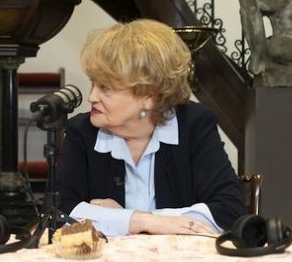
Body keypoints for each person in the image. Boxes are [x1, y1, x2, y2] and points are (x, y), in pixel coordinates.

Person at [56, 19, 245, 237]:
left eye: (105, 88)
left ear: (148, 96)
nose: (92, 97)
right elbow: (62, 214)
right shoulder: (82, 131)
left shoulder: (194, 125)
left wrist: (127, 220)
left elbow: (228, 209)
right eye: (93, 84)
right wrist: (142, 221)